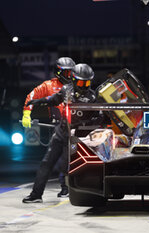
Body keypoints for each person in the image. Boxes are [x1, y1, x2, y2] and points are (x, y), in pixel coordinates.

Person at [22, 64, 97, 203]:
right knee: (46, 163)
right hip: (61, 131)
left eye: (87, 82)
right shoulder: (66, 89)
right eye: (81, 82)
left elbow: (99, 117)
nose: (85, 85)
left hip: (77, 135)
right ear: (74, 80)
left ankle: (70, 191)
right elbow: (53, 100)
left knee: (68, 165)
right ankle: (36, 195)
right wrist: (39, 101)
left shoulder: (93, 97)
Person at [22, 57, 75, 198]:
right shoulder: (48, 86)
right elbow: (31, 96)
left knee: (67, 159)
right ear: (58, 72)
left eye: (71, 73)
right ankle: (41, 193)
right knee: (51, 161)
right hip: (58, 127)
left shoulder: (78, 87)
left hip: (75, 128)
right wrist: (27, 114)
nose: (69, 76)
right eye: (67, 73)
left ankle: (67, 188)